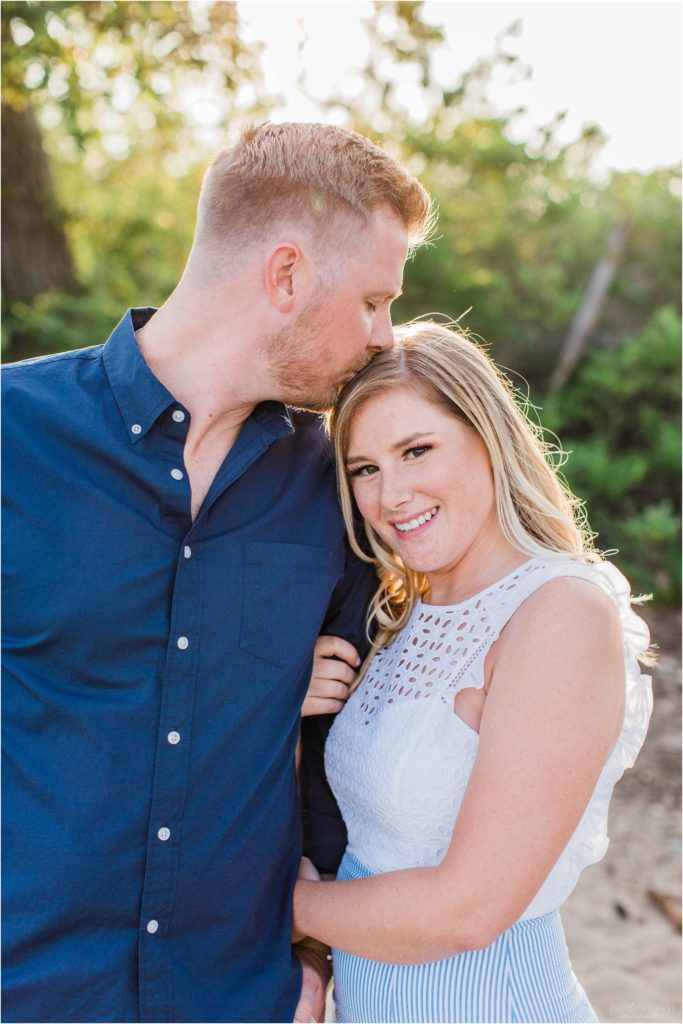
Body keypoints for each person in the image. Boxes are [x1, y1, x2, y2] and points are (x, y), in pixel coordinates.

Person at [1, 122, 432, 1023]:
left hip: (237, 998)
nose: (385, 336)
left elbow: (335, 761)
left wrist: (309, 963)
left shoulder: (338, 483)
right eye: (372, 301)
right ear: (285, 276)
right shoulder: (13, 436)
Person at [294, 321, 653, 1024]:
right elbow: (378, 845)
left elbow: (469, 909)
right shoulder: (398, 614)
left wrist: (284, 908)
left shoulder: (557, 612)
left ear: (489, 439)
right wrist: (285, 699)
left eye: (416, 450)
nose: (390, 494)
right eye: (364, 468)